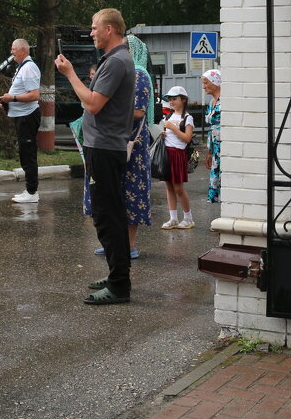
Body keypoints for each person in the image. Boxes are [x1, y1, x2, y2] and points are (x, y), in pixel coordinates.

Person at [56, 8, 136, 305]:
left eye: (94, 28)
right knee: (109, 213)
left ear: (110, 30)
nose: (91, 33)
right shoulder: (115, 59)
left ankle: (119, 285)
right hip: (103, 145)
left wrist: (69, 74)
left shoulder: (116, 61)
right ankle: (118, 272)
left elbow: (92, 104)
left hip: (105, 147)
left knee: (107, 215)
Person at [85, 35, 153, 260]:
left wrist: (104, 107)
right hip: (113, 140)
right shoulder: (118, 68)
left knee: (130, 194)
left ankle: (129, 245)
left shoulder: (139, 74)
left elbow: (139, 112)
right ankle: (112, 242)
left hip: (131, 144)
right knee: (111, 194)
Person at [0, 38, 42, 203]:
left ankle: (32, 192)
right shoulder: (22, 67)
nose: (11, 52)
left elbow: (34, 95)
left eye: (13, 49)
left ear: (22, 50)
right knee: (24, 153)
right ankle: (29, 190)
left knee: (28, 154)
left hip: (28, 116)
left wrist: (13, 98)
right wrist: (6, 102)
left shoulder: (29, 68)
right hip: (21, 116)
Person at [160, 86, 195, 230]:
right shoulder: (168, 116)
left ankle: (188, 218)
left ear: (183, 99)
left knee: (179, 188)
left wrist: (173, 129)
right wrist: (163, 133)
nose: (171, 102)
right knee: (169, 187)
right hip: (167, 153)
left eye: (174, 99)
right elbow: (167, 133)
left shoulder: (187, 118)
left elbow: (187, 138)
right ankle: (173, 218)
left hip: (178, 154)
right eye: (170, 99)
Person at [202, 68, 222, 203]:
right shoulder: (211, 103)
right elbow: (210, 129)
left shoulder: (225, 101)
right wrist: (209, 152)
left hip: (224, 147)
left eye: (206, 83)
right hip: (215, 147)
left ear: (216, 82)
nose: (203, 87)